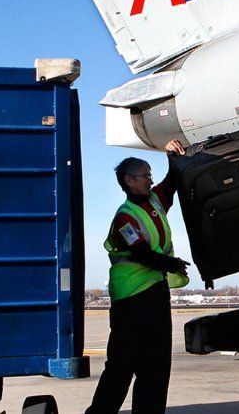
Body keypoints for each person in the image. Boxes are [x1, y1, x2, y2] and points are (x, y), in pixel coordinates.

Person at [86, 139, 192, 414]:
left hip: (156, 291)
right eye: (145, 175)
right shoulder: (125, 217)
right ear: (129, 180)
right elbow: (142, 253)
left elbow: (173, 180)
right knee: (122, 366)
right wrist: (172, 263)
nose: (150, 180)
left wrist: (172, 155)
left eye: (150, 176)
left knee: (156, 366)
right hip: (130, 298)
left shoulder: (155, 201)